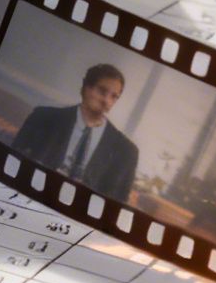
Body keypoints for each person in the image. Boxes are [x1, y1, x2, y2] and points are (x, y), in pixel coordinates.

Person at [10, 63, 138, 203]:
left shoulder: (127, 151)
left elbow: (115, 205)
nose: (106, 101)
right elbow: (14, 165)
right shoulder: (43, 118)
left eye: (114, 97)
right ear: (86, 88)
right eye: (102, 91)